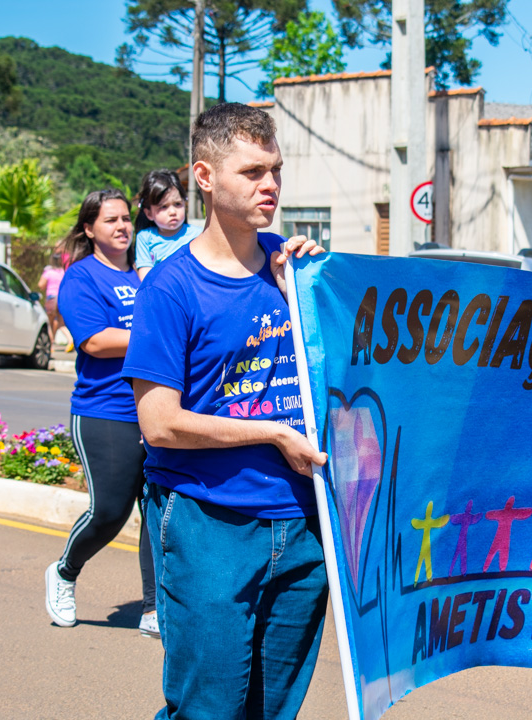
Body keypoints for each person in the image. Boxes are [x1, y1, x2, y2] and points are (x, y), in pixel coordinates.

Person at [123, 103, 327, 719]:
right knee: (206, 709)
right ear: (205, 177)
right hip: (207, 524)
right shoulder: (171, 288)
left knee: (273, 710)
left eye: (276, 171)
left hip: (304, 527)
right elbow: (159, 422)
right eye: (253, 172)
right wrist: (271, 433)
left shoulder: (299, 271)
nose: (271, 186)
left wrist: (312, 293)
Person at [44, 188, 158, 639]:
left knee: (157, 509)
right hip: (104, 411)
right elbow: (94, 341)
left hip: (156, 409)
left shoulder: (147, 276)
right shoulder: (82, 278)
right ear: (89, 229)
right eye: (110, 220)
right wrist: (158, 335)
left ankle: (152, 609)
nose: (122, 226)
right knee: (110, 511)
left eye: (126, 218)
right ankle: (65, 571)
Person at [134, 168, 201, 281]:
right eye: (163, 207)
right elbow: (145, 273)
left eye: (177, 204)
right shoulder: (144, 237)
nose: (172, 212)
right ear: (149, 213)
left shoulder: (198, 234)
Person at [37, 252, 66, 346]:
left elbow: (40, 285)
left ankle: (50, 343)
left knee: (49, 322)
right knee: (58, 321)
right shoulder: (64, 272)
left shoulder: (49, 272)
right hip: (62, 299)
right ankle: (55, 340)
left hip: (52, 298)